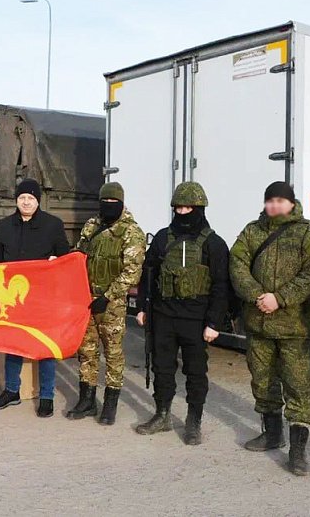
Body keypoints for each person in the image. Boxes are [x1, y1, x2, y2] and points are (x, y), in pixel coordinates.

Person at [229, 181, 310, 474]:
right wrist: (257, 295)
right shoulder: (252, 231)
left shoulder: (309, 233)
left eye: (279, 200)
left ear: (291, 202)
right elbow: (237, 263)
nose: (274, 205)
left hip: (294, 326)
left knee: (298, 387)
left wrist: (280, 298)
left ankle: (298, 452)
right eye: (269, 200)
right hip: (258, 323)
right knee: (262, 382)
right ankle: (272, 434)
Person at [135, 182, 230, 445]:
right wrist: (142, 307)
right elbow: (148, 274)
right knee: (162, 368)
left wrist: (214, 322)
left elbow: (222, 286)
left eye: (188, 207)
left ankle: (193, 421)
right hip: (163, 315)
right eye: (178, 207)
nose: (183, 211)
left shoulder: (214, 243)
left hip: (196, 319)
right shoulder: (163, 238)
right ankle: (162, 414)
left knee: (196, 371)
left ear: (199, 208)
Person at [0, 179, 70, 417]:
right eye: (21, 198)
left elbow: (65, 258)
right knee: (13, 342)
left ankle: (47, 395)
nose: (26, 202)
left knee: (44, 346)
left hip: (42, 298)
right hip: (13, 299)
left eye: (30, 198)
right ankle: (12, 390)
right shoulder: (7, 225)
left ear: (38, 200)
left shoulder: (53, 225)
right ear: (16, 200)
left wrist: (55, 263)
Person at [66, 182, 145, 425]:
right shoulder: (92, 226)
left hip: (112, 303)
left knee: (113, 353)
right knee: (87, 351)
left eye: (113, 203)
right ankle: (87, 399)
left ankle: (110, 404)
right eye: (104, 203)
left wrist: (108, 296)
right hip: (86, 299)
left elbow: (132, 272)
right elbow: (79, 255)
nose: (108, 207)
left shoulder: (132, 232)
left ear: (121, 204)